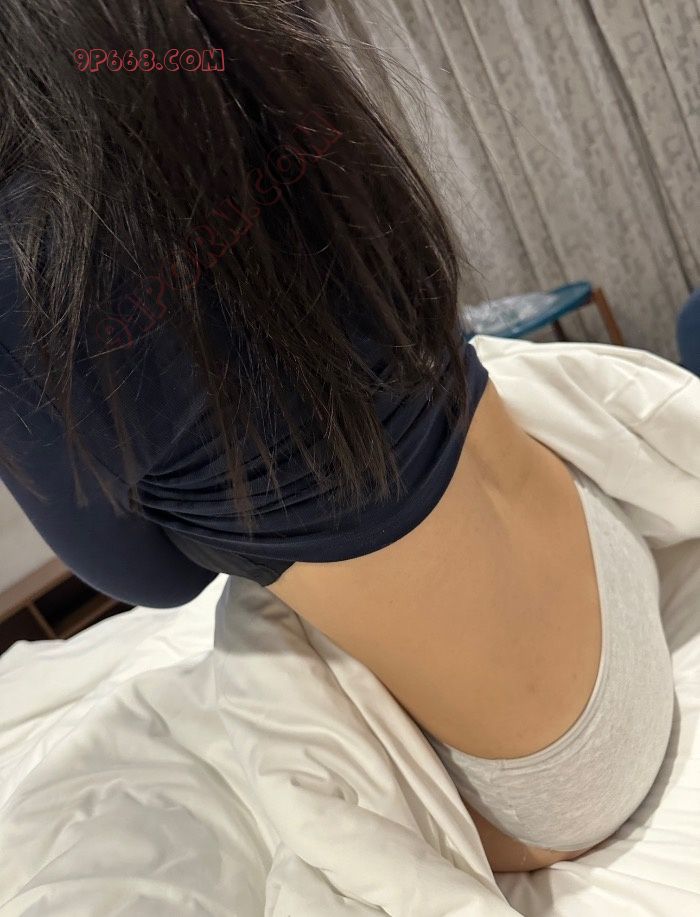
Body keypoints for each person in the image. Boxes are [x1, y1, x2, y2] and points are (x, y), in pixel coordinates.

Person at [0, 0, 673, 873]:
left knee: (248, 642)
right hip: (609, 559)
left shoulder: (24, 277)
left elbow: (157, 582)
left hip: (554, 778)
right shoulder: (250, 46)